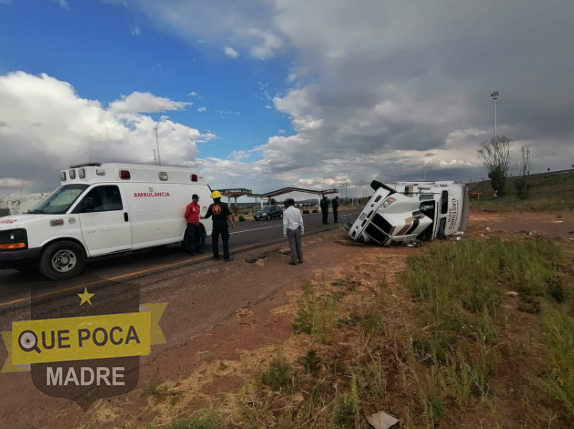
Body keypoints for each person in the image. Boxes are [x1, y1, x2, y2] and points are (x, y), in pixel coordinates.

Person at [201, 190, 235, 261]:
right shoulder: (224, 205)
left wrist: (202, 217)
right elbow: (228, 215)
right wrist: (232, 223)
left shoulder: (211, 206)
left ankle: (216, 256)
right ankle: (226, 256)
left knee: (215, 241)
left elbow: (207, 216)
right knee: (225, 240)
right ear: (220, 197)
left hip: (215, 225)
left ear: (213, 198)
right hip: (223, 225)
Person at [283, 198, 304, 265]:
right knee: (298, 244)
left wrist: (284, 231)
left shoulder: (286, 212)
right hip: (297, 229)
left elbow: (285, 223)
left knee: (293, 245)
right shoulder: (297, 210)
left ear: (288, 203)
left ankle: (295, 260)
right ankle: (300, 258)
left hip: (290, 229)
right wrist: (302, 228)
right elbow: (300, 220)